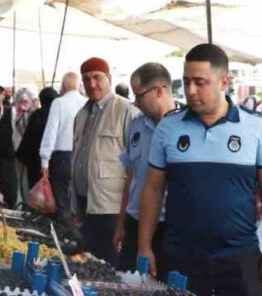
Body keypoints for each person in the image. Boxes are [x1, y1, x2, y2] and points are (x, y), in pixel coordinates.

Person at [139, 44, 262, 296]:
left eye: (200, 82)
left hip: (239, 259)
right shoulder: (168, 128)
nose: (191, 90)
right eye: (187, 81)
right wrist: (144, 246)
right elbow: (153, 189)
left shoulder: (256, 129)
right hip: (181, 257)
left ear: (224, 82)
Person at [71, 58, 138, 264]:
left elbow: (136, 165)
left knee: (109, 266)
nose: (92, 84)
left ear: (108, 78)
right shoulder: (81, 114)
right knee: (89, 262)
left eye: (97, 78)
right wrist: (74, 205)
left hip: (111, 207)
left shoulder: (126, 111)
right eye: (87, 79)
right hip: (86, 205)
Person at [114, 62, 175, 271]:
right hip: (134, 222)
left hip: (167, 227)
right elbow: (130, 177)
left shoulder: (184, 128)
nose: (135, 102)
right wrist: (121, 224)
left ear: (158, 91)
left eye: (139, 96)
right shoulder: (137, 125)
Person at [39, 72, 86, 226]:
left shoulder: (58, 103)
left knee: (63, 201)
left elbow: (50, 132)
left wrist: (44, 161)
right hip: (84, 157)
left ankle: (67, 236)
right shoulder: (87, 103)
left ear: (63, 86)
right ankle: (80, 237)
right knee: (80, 200)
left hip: (62, 158)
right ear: (79, 85)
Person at [18, 87, 56, 195]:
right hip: (56, 163)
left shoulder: (36, 116)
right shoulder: (57, 114)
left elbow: (27, 140)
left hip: (36, 164)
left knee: (39, 199)